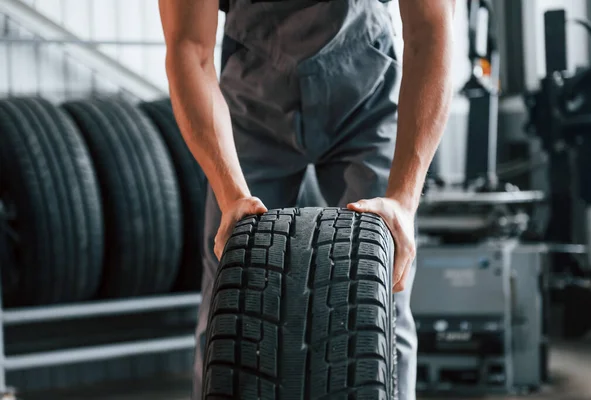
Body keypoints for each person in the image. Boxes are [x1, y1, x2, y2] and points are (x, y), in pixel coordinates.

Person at [159, 0, 455, 398]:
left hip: (363, 83)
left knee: (384, 290)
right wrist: (231, 193)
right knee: (229, 291)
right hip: (253, 96)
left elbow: (430, 32)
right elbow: (189, 51)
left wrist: (402, 198)